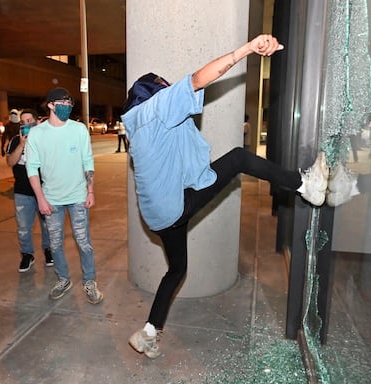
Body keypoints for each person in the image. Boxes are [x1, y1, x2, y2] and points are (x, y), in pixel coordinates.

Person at [121, 34, 329, 358]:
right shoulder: (157, 107)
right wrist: (246, 49)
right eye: (167, 87)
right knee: (238, 159)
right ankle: (307, 186)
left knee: (177, 269)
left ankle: (149, 332)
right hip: (174, 209)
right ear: (156, 92)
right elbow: (201, 78)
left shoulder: (136, 127)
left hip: (155, 218)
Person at [25, 87, 104, 304]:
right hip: (51, 199)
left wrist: (90, 190)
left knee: (83, 241)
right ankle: (63, 279)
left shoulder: (79, 130)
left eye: (70, 103)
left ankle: (89, 281)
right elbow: (32, 168)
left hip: (78, 195)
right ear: (50, 105)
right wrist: (40, 198)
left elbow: (87, 161)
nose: (67, 106)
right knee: (56, 243)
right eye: (63, 103)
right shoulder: (37, 134)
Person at [5, 108, 53, 272]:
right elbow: (10, 162)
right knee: (24, 226)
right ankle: (27, 254)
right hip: (22, 191)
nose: (26, 125)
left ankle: (49, 251)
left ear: (37, 122)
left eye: (29, 121)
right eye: (23, 122)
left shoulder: (46, 140)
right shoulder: (14, 141)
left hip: (44, 189)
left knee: (47, 225)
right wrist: (22, 144)